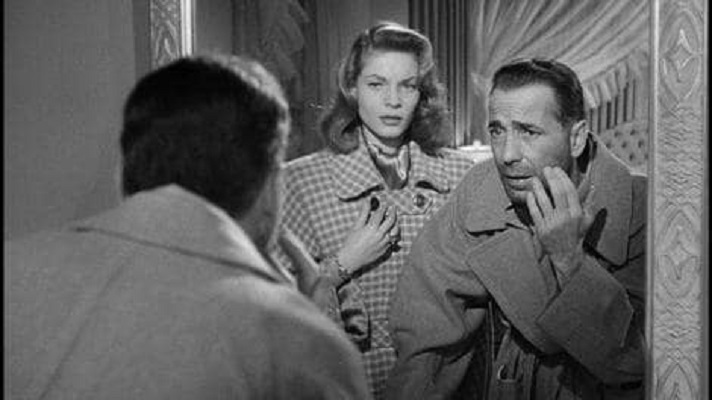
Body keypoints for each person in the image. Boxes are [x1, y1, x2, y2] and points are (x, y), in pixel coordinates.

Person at [5, 55, 371, 400]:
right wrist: (305, 328)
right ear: (269, 189)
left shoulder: (12, 271)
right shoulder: (297, 342)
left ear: (123, 172)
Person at [387, 58, 646, 399]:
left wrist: (569, 259)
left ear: (576, 138)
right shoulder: (480, 190)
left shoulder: (644, 210)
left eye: (528, 132)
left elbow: (632, 362)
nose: (507, 154)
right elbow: (425, 324)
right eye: (497, 131)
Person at [271, 22, 476, 399]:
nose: (393, 100)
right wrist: (342, 265)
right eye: (377, 84)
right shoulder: (299, 182)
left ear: (422, 94)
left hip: (440, 387)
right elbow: (273, 317)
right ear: (352, 89)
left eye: (407, 86)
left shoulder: (462, 175)